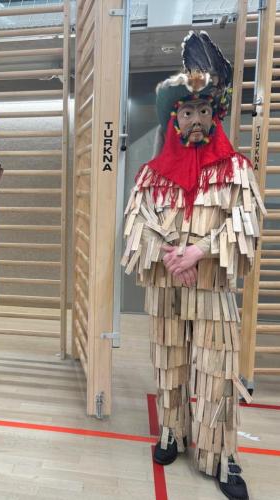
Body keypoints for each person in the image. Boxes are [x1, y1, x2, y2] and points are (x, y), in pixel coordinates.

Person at [122, 32, 266, 500]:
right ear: (174, 118)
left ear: (214, 115)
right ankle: (172, 432)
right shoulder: (150, 176)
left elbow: (245, 224)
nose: (196, 119)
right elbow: (137, 224)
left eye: (204, 110)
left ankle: (221, 455)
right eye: (187, 112)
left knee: (217, 371)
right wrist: (171, 256)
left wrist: (198, 253)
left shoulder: (236, 169)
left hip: (212, 290)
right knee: (170, 363)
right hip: (167, 286)